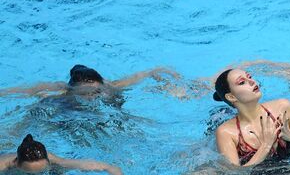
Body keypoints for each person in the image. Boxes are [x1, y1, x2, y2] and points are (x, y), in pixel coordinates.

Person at [213, 69, 290, 175]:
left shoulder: (283, 107)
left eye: (249, 77)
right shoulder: (226, 132)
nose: (252, 82)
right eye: (242, 82)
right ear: (231, 97)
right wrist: (266, 145)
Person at [0, 134, 127, 175]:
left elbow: (109, 167)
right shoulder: (3, 165)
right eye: (30, 173)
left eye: (41, 171)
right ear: (16, 163)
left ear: (48, 161)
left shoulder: (56, 161)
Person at [0, 64, 181, 98]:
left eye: (97, 92)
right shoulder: (62, 91)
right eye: (89, 93)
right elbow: (26, 91)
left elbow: (145, 73)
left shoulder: (111, 86)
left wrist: (162, 72)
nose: (94, 97)